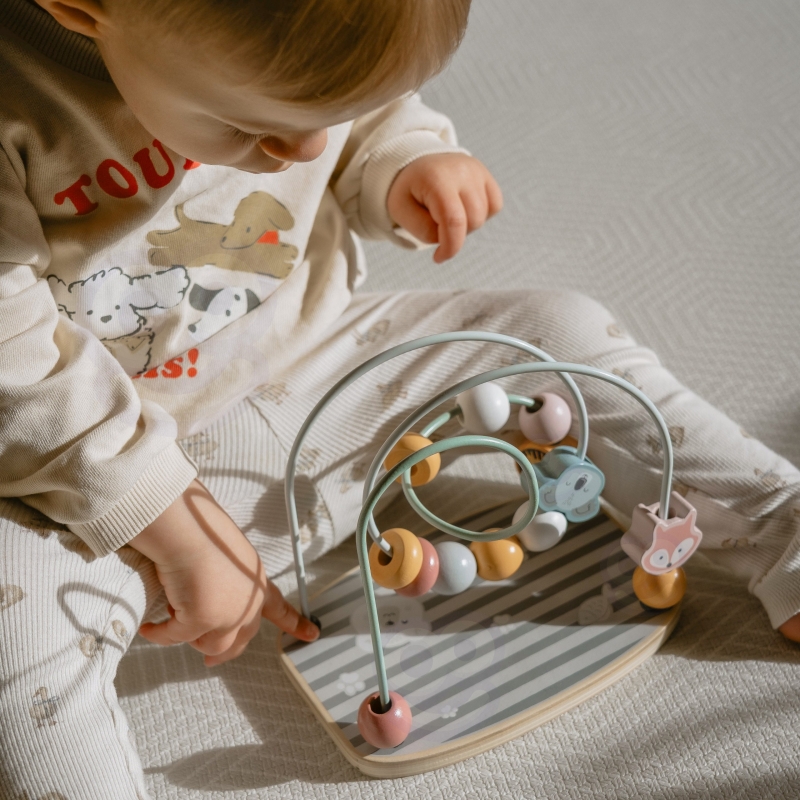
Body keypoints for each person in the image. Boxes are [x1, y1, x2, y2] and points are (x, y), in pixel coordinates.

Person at [1, 0, 798, 797]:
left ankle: (779, 528)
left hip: (330, 375)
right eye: (248, 127)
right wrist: (164, 521)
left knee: (556, 331)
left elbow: (359, 113)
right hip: (82, 478)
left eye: (328, 118)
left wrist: (399, 159)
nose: (306, 151)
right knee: (17, 642)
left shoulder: (281, 79)